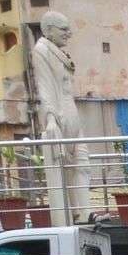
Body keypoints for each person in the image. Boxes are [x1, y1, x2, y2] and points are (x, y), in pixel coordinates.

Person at [32, 11, 90, 222]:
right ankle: (74, 213)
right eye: (63, 29)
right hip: (59, 113)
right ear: (48, 30)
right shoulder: (41, 50)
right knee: (65, 166)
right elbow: (44, 86)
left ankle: (85, 212)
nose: (69, 33)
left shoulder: (59, 52)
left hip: (72, 111)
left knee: (82, 164)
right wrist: (50, 117)